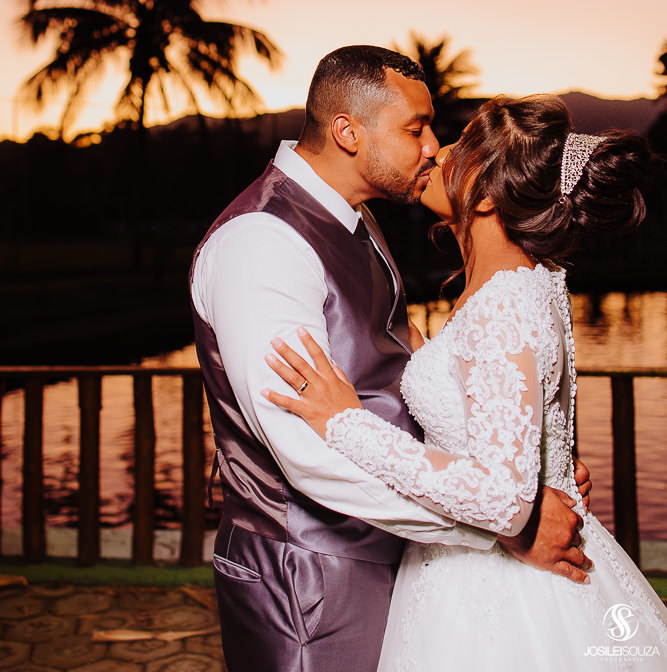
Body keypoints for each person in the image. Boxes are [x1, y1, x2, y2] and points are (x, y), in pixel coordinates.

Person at [190, 52, 592, 672]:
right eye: (416, 128)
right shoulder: (262, 243)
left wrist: (523, 456)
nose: (434, 147)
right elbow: (306, 453)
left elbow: (402, 368)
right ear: (350, 132)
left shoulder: (360, 222)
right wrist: (506, 527)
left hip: (402, 550)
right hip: (311, 579)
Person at [264, 93, 667, 670]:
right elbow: (516, 422)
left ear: (481, 195)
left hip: (501, 588)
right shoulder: (533, 283)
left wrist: (343, 422)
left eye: (454, 151)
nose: (434, 154)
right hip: (478, 558)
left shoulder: (505, 305)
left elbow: (504, 496)